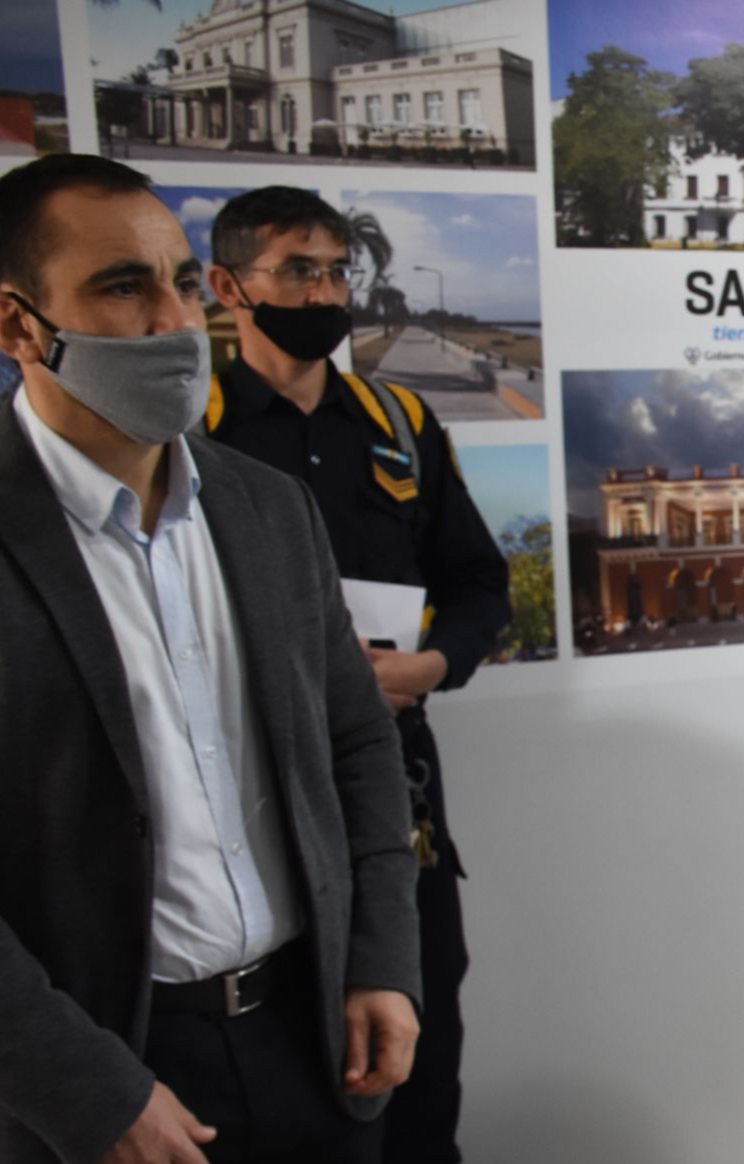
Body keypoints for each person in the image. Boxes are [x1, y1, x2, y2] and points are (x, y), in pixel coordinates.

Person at [0, 153, 420, 1164]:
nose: (174, 321)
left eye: (183, 281)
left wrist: (379, 958)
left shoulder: (267, 507)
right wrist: (88, 1091)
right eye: (123, 287)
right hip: (92, 1082)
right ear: (17, 325)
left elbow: (358, 739)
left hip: (308, 1044)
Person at [202, 186, 510, 1164]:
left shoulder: (399, 420)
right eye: (300, 270)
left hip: (396, 788)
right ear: (228, 286)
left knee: (420, 1060)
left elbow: (477, 584)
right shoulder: (188, 433)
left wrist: (435, 663)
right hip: (248, 796)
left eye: (339, 270)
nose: (328, 290)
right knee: (290, 1069)